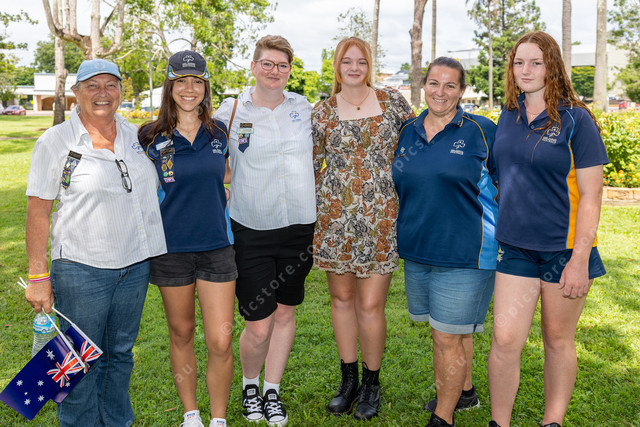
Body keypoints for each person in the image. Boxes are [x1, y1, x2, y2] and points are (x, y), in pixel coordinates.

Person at [24, 59, 167, 426]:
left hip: (134, 266)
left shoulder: (138, 136)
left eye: (111, 85)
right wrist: (38, 276)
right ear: (77, 92)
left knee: (120, 354)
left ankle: (117, 422)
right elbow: (38, 212)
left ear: (121, 90)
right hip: (81, 269)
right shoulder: (56, 141)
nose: (103, 93)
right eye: (92, 85)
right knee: (74, 361)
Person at [488, 31, 608, 427]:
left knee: (557, 340)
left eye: (535, 62)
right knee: (505, 339)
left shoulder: (576, 119)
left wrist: (579, 259)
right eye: (519, 62)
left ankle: (551, 421)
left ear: (551, 66)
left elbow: (591, 196)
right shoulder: (508, 114)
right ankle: (499, 422)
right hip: (515, 246)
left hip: (564, 249)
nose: (526, 70)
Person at [214, 35, 315, 427]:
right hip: (252, 229)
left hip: (299, 227)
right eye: (268, 63)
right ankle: (250, 385)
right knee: (258, 324)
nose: (275, 71)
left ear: (290, 70)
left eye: (282, 65)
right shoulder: (231, 110)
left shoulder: (304, 108)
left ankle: (272, 391)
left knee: (285, 312)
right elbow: (209, 157)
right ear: (254, 66)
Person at [391, 57, 499, 427]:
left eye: (450, 85)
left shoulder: (482, 130)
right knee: (451, 329)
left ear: (462, 91)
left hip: (466, 251)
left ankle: (444, 416)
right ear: (424, 86)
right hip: (418, 250)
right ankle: (465, 392)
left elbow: (509, 184)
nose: (441, 92)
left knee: (445, 337)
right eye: (434, 83)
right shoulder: (407, 131)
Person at [312, 37, 415, 420]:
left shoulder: (392, 103)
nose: (354, 68)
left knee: (370, 305)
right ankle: (348, 381)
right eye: (346, 61)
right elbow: (310, 165)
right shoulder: (322, 112)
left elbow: (417, 148)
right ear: (337, 66)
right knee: (341, 300)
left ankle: (372, 383)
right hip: (335, 218)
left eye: (360, 61)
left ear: (369, 65)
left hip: (381, 217)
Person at [138, 51, 236, 427]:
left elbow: (227, 175)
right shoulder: (149, 136)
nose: (189, 89)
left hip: (217, 246)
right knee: (181, 333)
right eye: (181, 81)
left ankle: (218, 419)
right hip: (170, 250)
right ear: (170, 86)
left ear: (206, 87)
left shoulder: (220, 132)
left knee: (220, 340)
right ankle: (191, 414)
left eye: (197, 81)